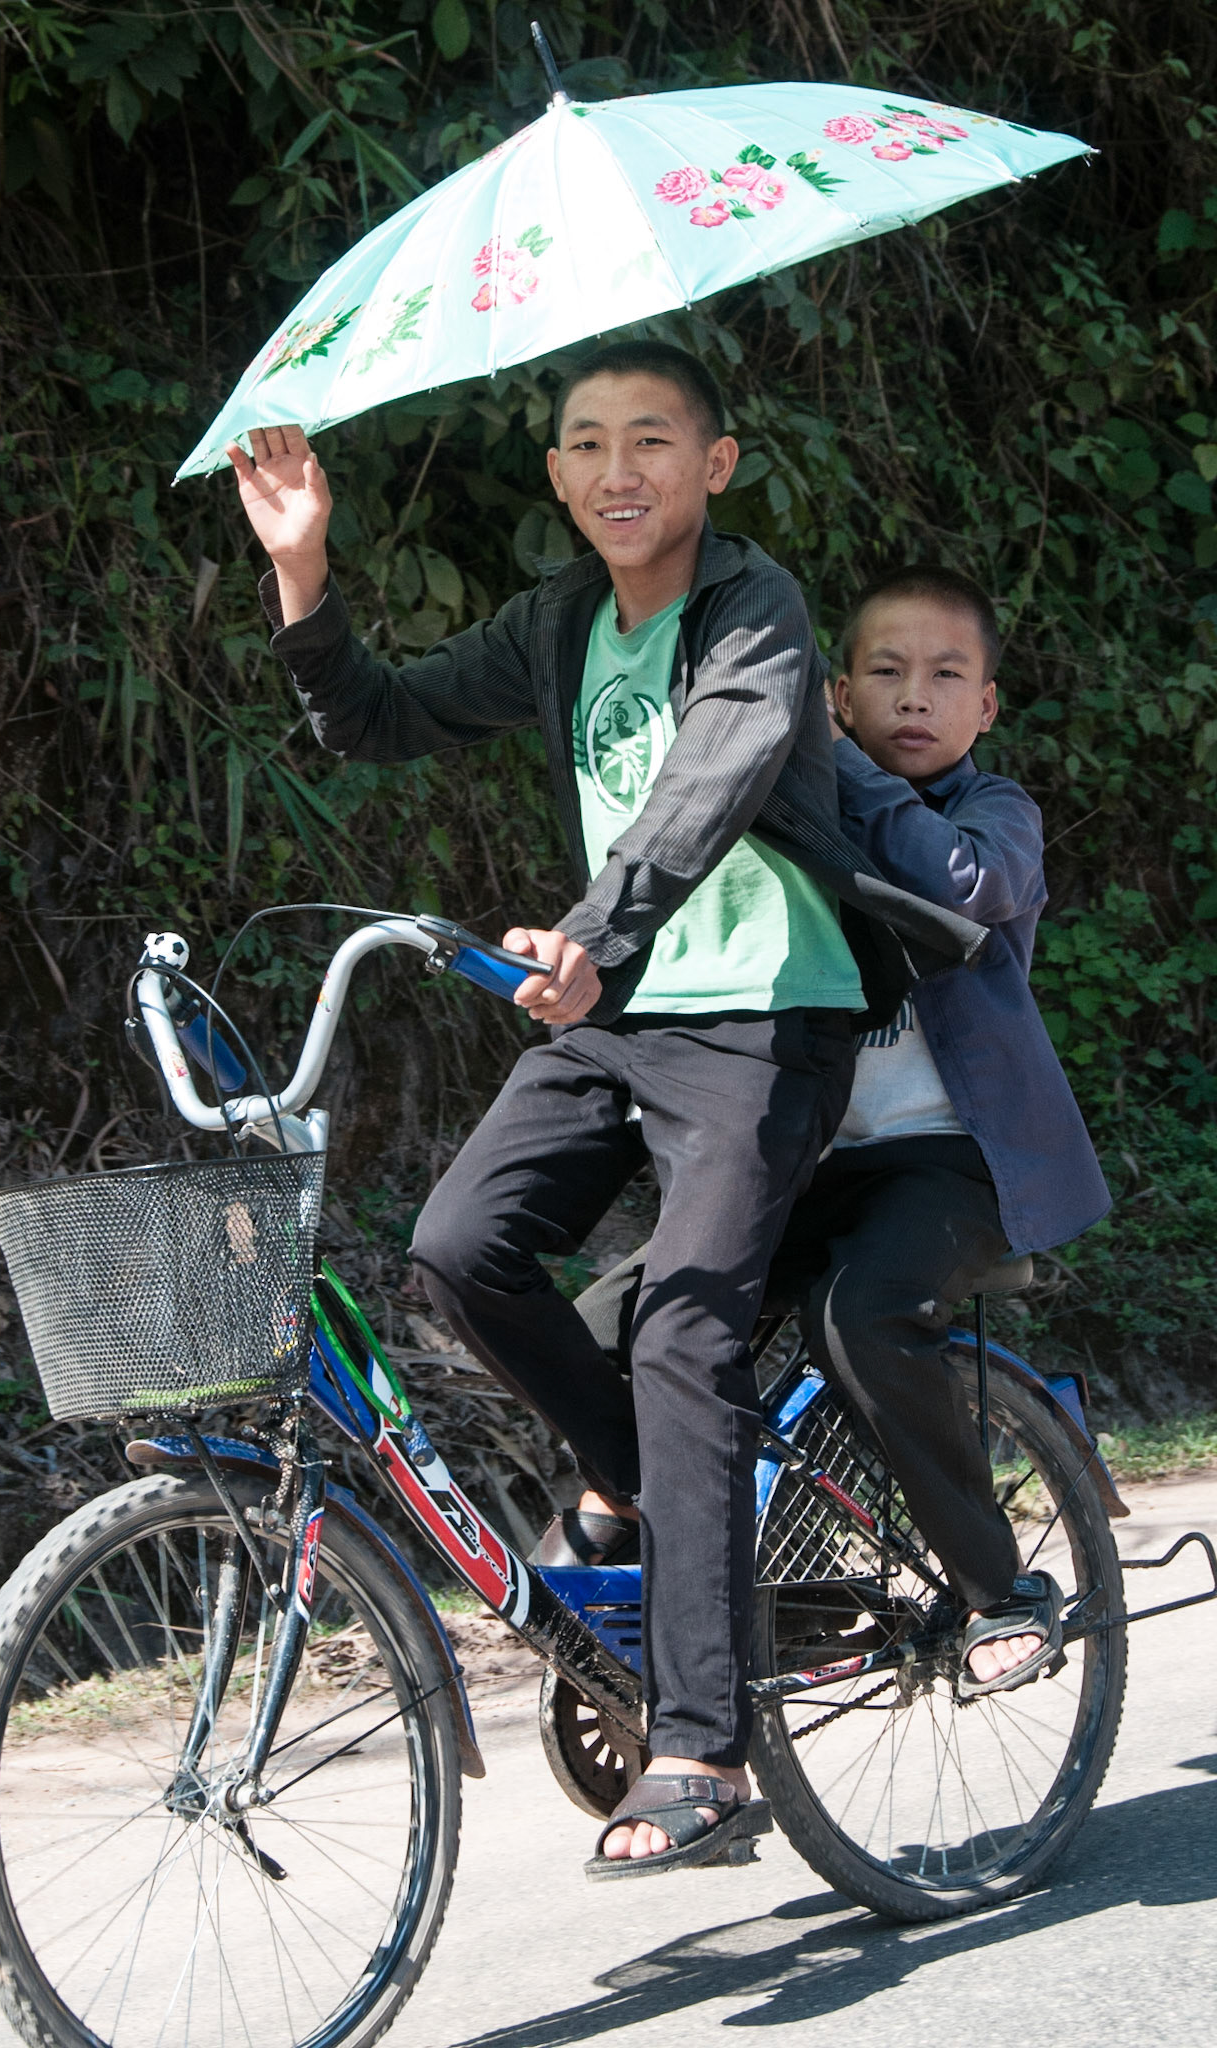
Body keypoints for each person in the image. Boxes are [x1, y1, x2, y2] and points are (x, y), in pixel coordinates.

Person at [228, 343, 981, 1876]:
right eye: (587, 444)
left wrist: (595, 929)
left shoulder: (756, 610)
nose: (617, 469)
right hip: (617, 1009)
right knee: (459, 1250)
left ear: (716, 465)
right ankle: (658, 1489)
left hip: (764, 1015)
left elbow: (712, 779)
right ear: (559, 477)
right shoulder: (562, 619)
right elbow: (377, 717)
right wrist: (302, 569)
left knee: (690, 1334)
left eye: (651, 439)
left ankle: (704, 1749)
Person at [579, 564, 1112, 1698]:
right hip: (813, 1159)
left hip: (954, 1163)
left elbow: (961, 883)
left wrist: (845, 768)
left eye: (946, 676)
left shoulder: (994, 815)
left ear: (987, 706)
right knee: (617, 1317)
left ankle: (999, 1586)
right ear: (836, 692)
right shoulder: (796, 809)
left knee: (857, 1314)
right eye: (886, 672)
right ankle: (685, 1541)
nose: (914, 695)